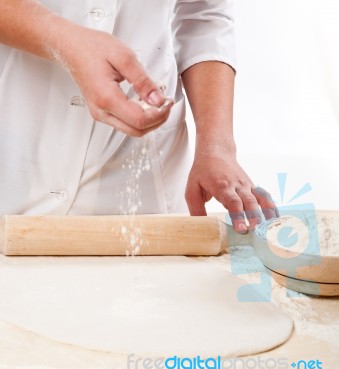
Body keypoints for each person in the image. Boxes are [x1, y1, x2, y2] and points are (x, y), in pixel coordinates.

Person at [0, 0, 278, 233]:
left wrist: (216, 148)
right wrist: (67, 42)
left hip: (139, 176)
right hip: (16, 153)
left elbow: (203, 15)